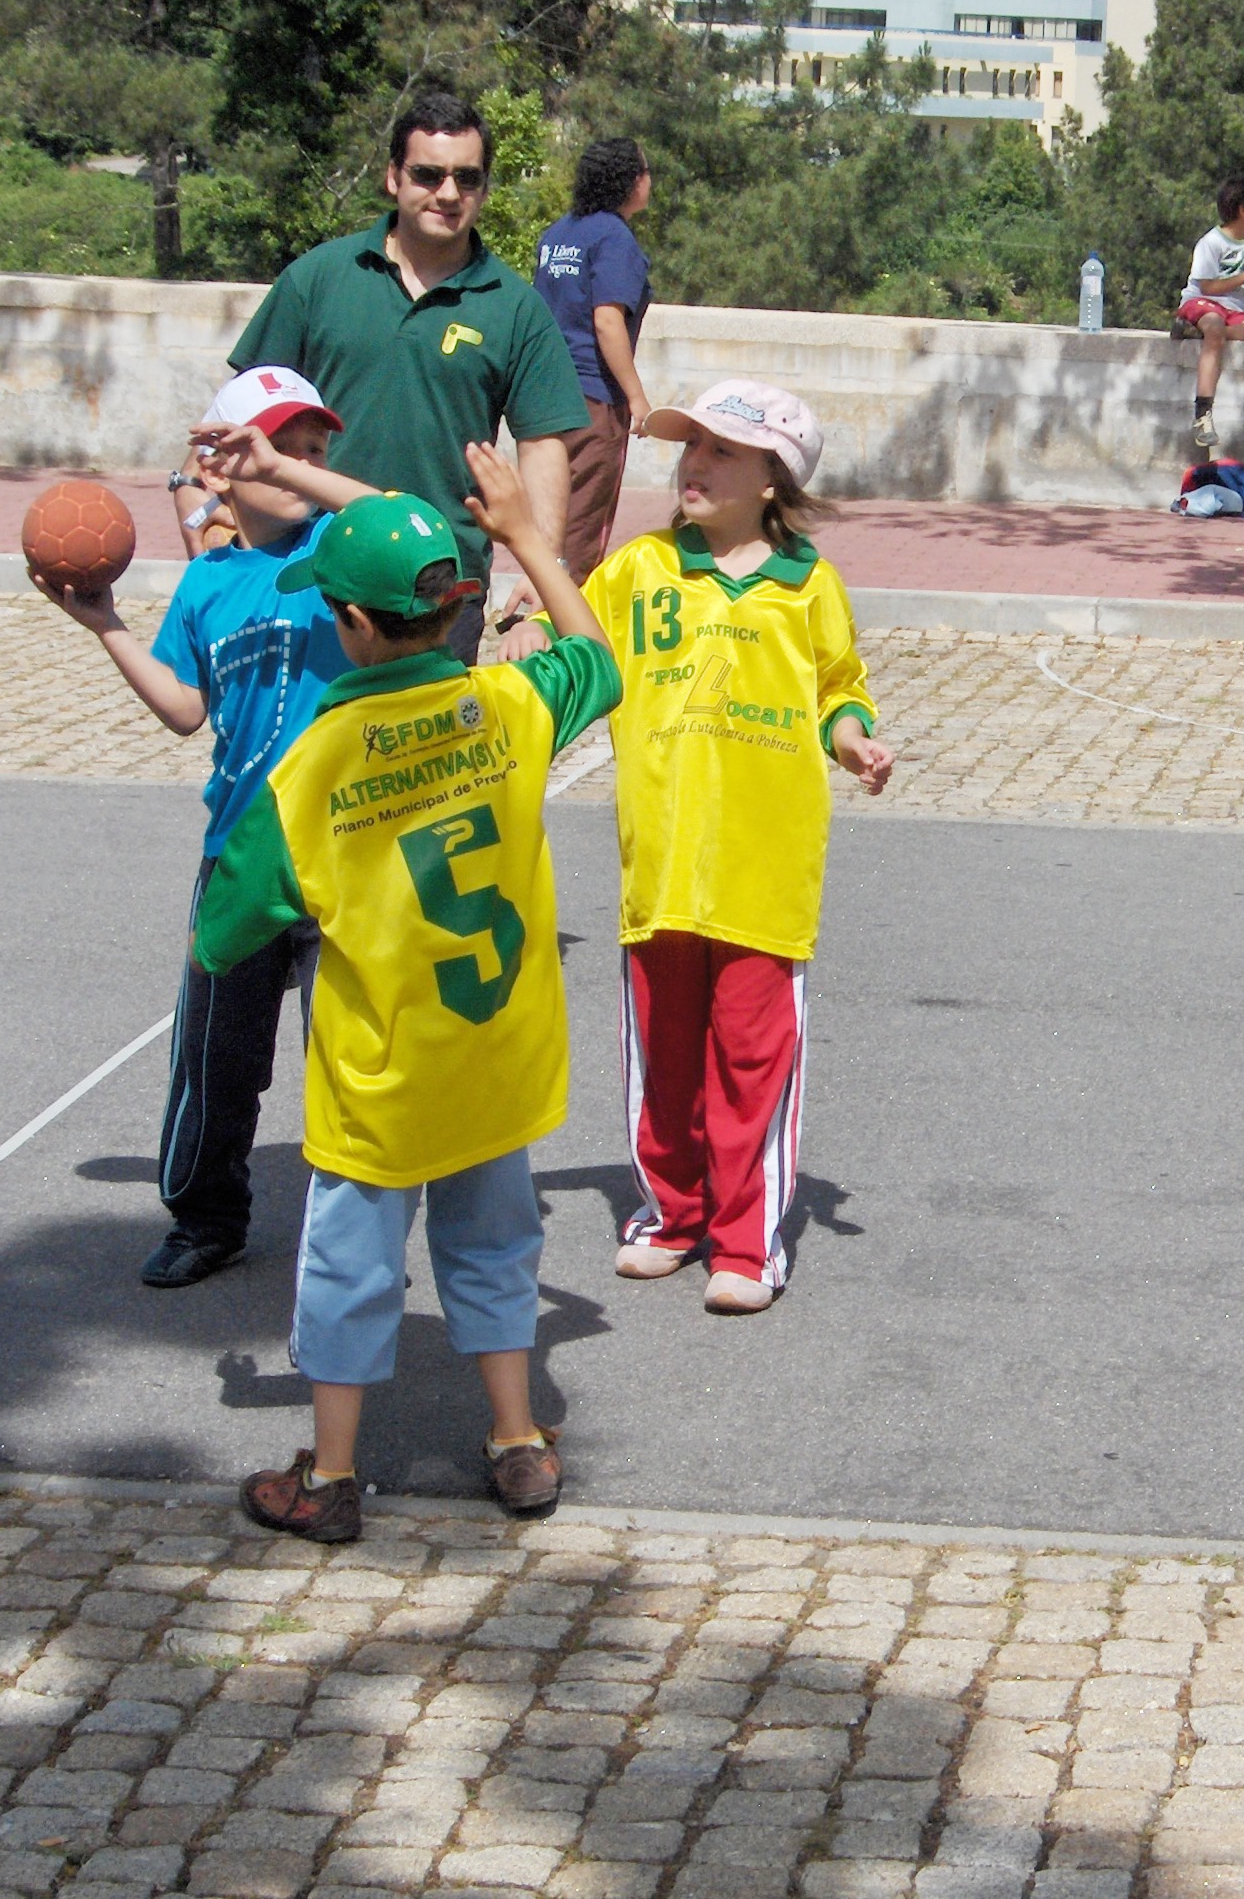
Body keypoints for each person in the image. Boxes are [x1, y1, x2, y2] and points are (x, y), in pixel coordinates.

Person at [199, 460, 621, 1542]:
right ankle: (518, 1441)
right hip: (494, 1057)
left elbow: (224, 931)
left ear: (350, 622)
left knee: (348, 1264)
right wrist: (530, 537)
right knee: (494, 1245)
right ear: (455, 606)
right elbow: (598, 661)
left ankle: (332, 1473)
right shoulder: (507, 705)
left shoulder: (314, 765)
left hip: (380, 1080)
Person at [519, 381, 890, 1314]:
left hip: (766, 871)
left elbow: (840, 688)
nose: (696, 463)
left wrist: (852, 740)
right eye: (691, 446)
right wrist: (531, 623)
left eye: (723, 450)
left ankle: (746, 1241)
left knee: (751, 1060)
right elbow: (577, 638)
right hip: (662, 865)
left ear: (773, 479)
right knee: (666, 1055)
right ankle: (671, 1215)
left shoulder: (810, 586)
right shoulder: (640, 568)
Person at [37, 368, 373, 1288]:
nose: (297, 460)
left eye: (311, 448)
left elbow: (399, 515)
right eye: (274, 444)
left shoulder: (341, 549)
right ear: (219, 466)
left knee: (352, 1054)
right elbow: (186, 710)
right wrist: (107, 626)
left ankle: (357, 1227)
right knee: (216, 1058)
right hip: (240, 857)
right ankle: (205, 1216)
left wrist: (288, 471)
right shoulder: (207, 584)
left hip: (347, 849)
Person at [228, 91, 589, 665]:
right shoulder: (318, 278)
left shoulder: (517, 308)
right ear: (393, 176)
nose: (448, 193)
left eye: (467, 178)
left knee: (431, 727)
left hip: (439, 587)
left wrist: (543, 569)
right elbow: (242, 412)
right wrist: (207, 510)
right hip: (312, 568)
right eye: (428, 174)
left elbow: (544, 445)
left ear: (484, 189)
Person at [533, 137, 656, 578]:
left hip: (545, 394)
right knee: (583, 528)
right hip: (593, 400)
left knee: (547, 521)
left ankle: (538, 600)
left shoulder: (558, 234)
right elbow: (607, 320)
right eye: (646, 171)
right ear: (631, 181)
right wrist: (636, 397)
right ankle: (563, 613)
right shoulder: (614, 238)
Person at [1173, 172, 1244, 450]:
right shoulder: (1211, 243)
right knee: (1213, 325)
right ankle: (1203, 414)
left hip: (1234, 311)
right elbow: (1208, 286)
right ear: (1243, 210)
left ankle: (1199, 332)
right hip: (1203, 302)